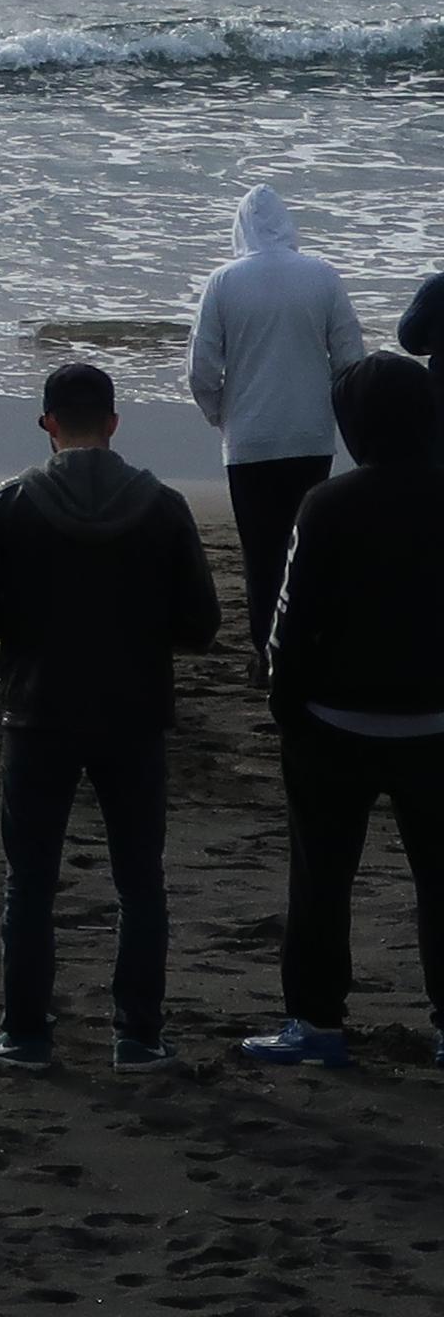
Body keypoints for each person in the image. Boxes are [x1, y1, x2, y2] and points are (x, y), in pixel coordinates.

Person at [0, 359, 220, 1068]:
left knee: (31, 880)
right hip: (134, 710)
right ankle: (138, 1034)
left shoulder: (10, 502)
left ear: (48, 425)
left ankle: (27, 1032)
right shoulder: (160, 505)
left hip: (41, 709)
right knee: (139, 880)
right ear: (114, 424)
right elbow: (200, 625)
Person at [245, 347, 444, 1069]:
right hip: (436, 725)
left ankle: (317, 1024)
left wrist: (284, 703)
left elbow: (290, 621)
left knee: (322, 879)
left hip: (335, 723)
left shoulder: (328, 503)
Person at [189, 185, 368, 672]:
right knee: (308, 541)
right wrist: (341, 418)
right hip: (310, 436)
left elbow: (201, 368)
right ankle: (310, 640)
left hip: (248, 440)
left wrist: (219, 414)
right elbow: (350, 359)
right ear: (288, 225)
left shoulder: (223, 281)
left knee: (261, 550)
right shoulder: (322, 275)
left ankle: (266, 651)